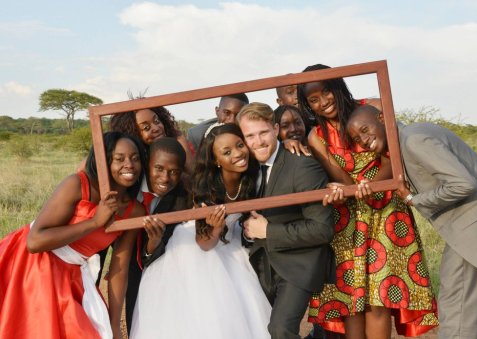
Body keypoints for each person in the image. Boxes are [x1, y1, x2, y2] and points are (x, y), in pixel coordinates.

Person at [298, 64, 438, 338]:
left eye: (326, 92)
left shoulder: (373, 107)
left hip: (387, 211)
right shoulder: (316, 136)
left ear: (338, 86)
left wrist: (372, 186)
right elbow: (341, 178)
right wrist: (352, 189)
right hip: (348, 218)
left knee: (379, 298)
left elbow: (392, 158)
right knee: (352, 299)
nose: (323, 102)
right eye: (313, 100)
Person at [345, 104, 477, 339]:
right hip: (470, 228)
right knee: (455, 303)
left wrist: (413, 199)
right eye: (357, 138)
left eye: (365, 129)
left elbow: (463, 184)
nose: (364, 140)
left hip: (476, 227)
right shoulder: (409, 139)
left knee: (458, 311)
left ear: (381, 117)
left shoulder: (413, 141)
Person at [130, 123, 271, 339]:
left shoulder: (254, 176)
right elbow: (204, 243)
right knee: (209, 314)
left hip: (230, 244)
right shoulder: (206, 188)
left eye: (240, 145)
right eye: (226, 152)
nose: (237, 154)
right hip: (198, 246)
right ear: (215, 160)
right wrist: (216, 228)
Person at [0, 131, 146, 339]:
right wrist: (95, 221)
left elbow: (119, 269)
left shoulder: (135, 210)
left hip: (72, 272)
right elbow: (34, 241)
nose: (129, 165)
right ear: (104, 161)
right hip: (32, 263)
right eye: (119, 159)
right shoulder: (78, 185)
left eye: (135, 158)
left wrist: (114, 324)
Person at [236, 102, 334, 339]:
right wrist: (249, 231)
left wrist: (269, 231)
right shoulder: (243, 168)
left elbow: (322, 229)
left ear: (275, 128)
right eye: (250, 136)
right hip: (257, 263)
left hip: (298, 264)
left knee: (281, 331)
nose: (258, 141)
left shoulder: (302, 165)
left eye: (263, 133)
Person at [124, 137, 190, 334]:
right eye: (159, 169)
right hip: (126, 263)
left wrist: (153, 243)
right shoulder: (128, 185)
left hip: (160, 265)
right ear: (147, 165)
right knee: (134, 316)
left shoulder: (182, 199)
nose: (165, 178)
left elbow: (161, 248)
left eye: (174, 172)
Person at [109, 105, 194, 171]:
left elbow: (193, 175)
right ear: (134, 134)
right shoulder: (135, 162)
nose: (156, 128)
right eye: (146, 128)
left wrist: (182, 145)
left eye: (156, 121)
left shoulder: (179, 142)